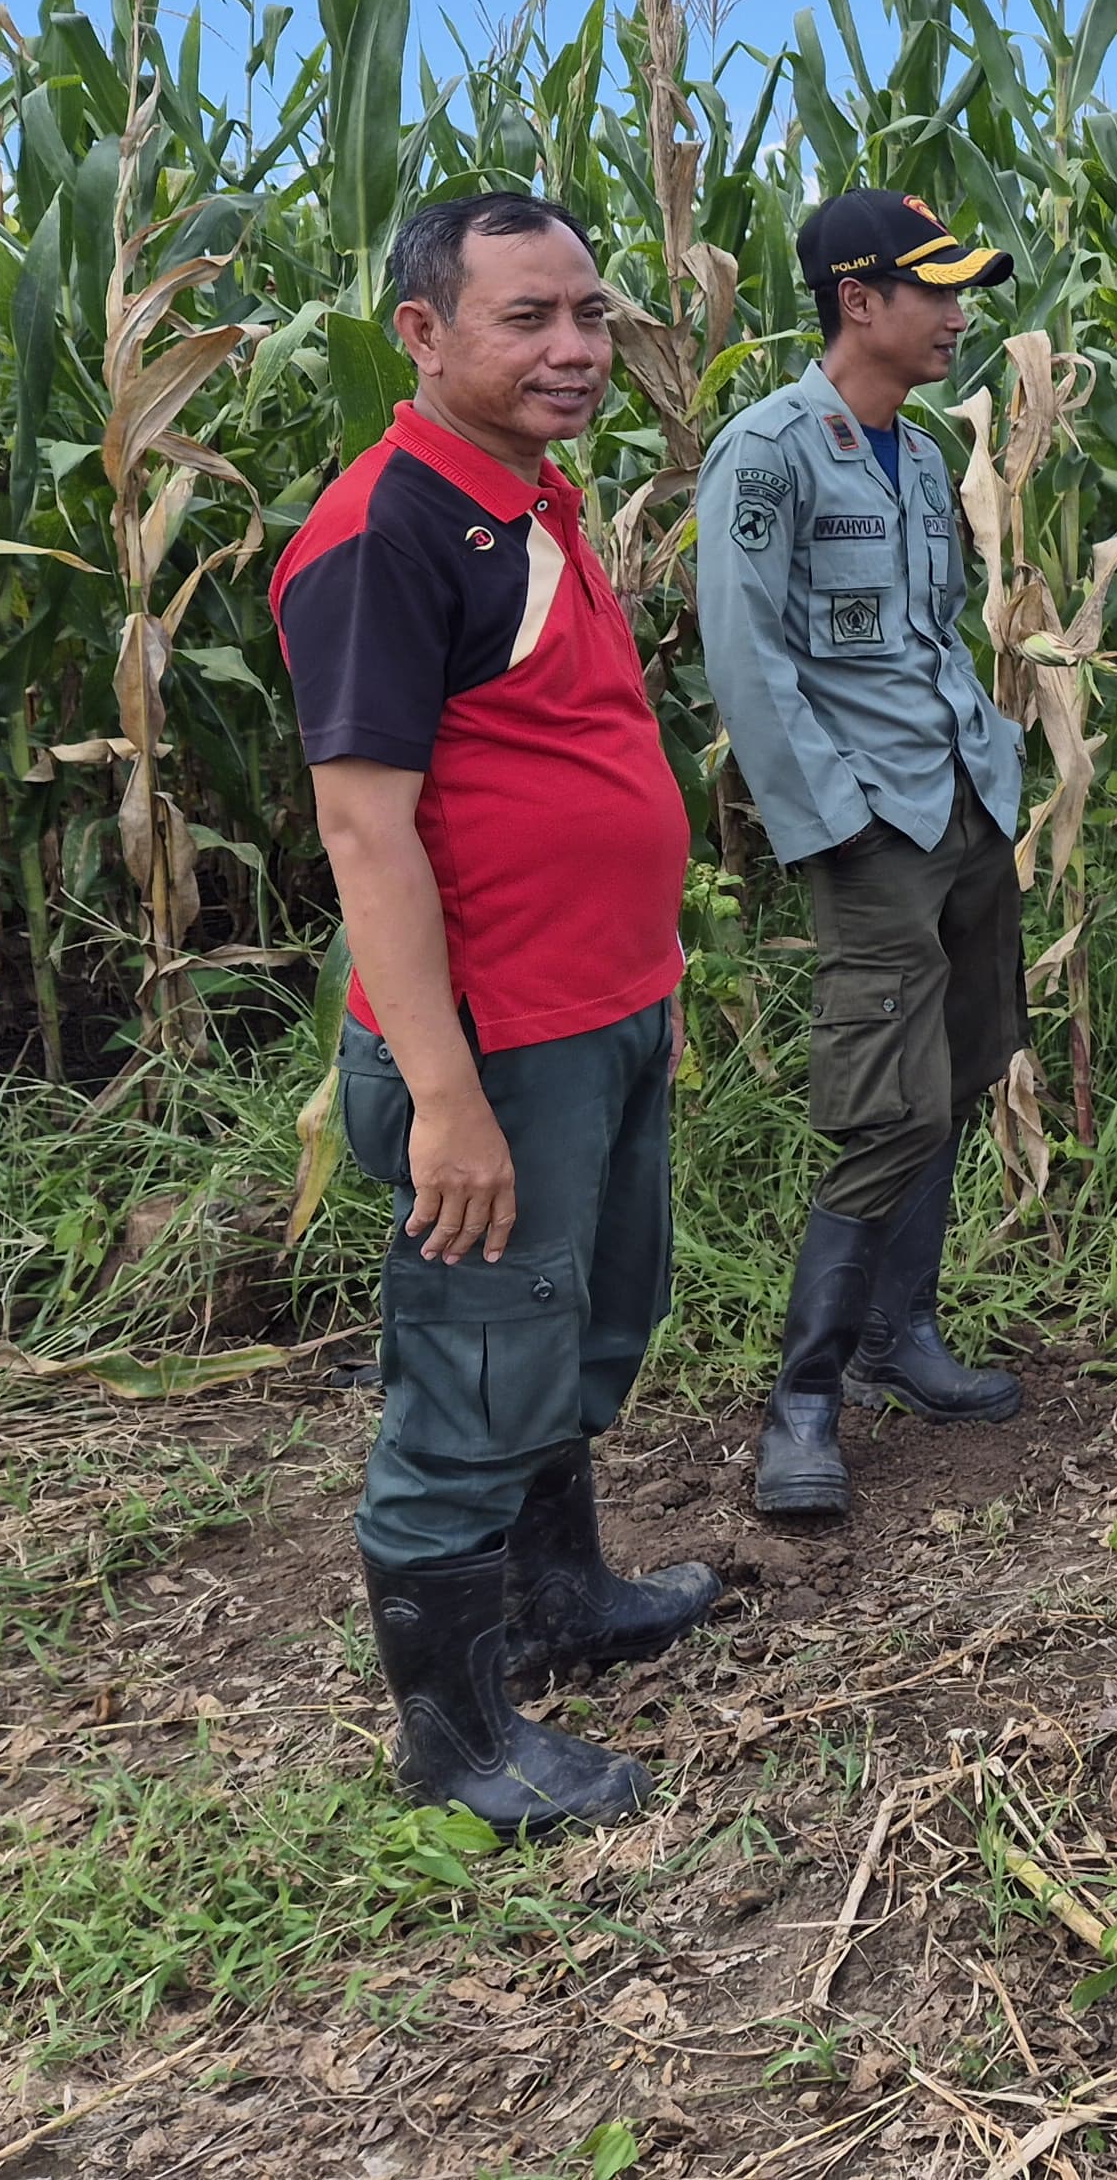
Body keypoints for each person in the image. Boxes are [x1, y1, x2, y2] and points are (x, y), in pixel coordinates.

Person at [273, 191, 715, 1836]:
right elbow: (363, 828)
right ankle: (456, 1739)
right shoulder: (384, 531)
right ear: (422, 333)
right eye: (528, 318)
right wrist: (447, 1097)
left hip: (599, 1019)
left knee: (587, 1327)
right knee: (473, 1376)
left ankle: (561, 1598)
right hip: (496, 1050)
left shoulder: (531, 504)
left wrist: (648, 994)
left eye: (591, 315)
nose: (578, 348)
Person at [695, 190, 1031, 1523]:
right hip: (874, 827)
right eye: (934, 291)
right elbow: (749, 658)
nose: (959, 316)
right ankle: (804, 1402)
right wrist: (843, 824)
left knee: (952, 1078)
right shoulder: (771, 454)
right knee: (879, 1107)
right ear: (857, 300)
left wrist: (987, 778)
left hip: (959, 807)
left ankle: (904, 1343)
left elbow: (932, 636)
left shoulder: (920, 446)